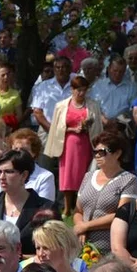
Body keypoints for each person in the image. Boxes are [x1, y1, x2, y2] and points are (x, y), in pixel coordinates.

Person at [72, 131, 137, 256]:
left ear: (117, 153)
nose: (97, 156)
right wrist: (80, 227)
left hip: (109, 249)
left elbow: (122, 215)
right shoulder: (88, 176)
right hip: (81, 249)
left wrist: (86, 226)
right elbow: (78, 211)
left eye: (102, 152)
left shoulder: (129, 180)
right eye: (95, 152)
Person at [44, 76, 104, 215]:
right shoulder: (61, 106)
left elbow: (98, 127)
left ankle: (80, 206)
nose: (81, 93)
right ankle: (66, 207)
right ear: (72, 90)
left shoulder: (93, 105)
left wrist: (87, 127)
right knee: (67, 175)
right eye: (78, 90)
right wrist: (71, 129)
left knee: (84, 174)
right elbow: (56, 127)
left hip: (85, 143)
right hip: (68, 144)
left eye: (84, 90)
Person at [0, 149, 55, 254]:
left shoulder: (46, 209)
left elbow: (54, 249)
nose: (2, 177)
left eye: (9, 172)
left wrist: (21, 258)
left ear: (24, 175)